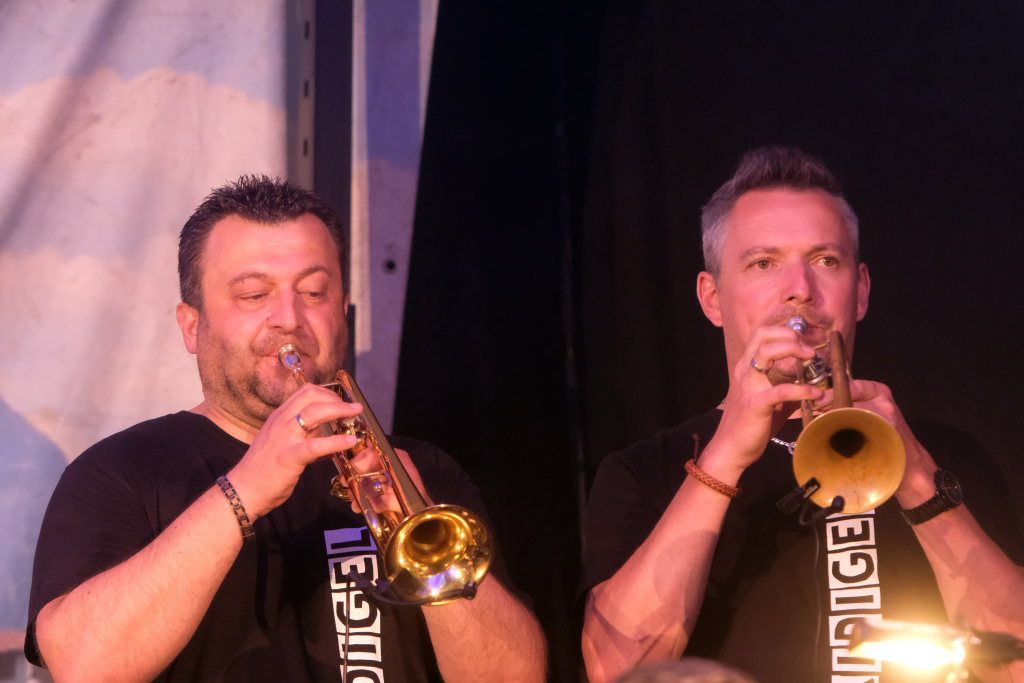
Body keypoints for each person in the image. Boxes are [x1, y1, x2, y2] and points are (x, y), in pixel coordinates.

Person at [25, 175, 547, 682]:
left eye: (314, 292)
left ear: (342, 313)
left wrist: (423, 527)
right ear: (192, 326)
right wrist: (244, 489)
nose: (289, 318)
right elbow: (84, 667)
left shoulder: (422, 472)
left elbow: (516, 676)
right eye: (255, 295)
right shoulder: (121, 471)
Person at [581, 147, 1024, 683]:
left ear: (860, 291)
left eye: (825, 261)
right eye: (763, 263)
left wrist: (917, 479)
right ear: (712, 297)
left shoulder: (946, 458)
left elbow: (1015, 665)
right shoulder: (643, 470)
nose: (800, 290)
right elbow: (617, 670)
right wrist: (721, 462)